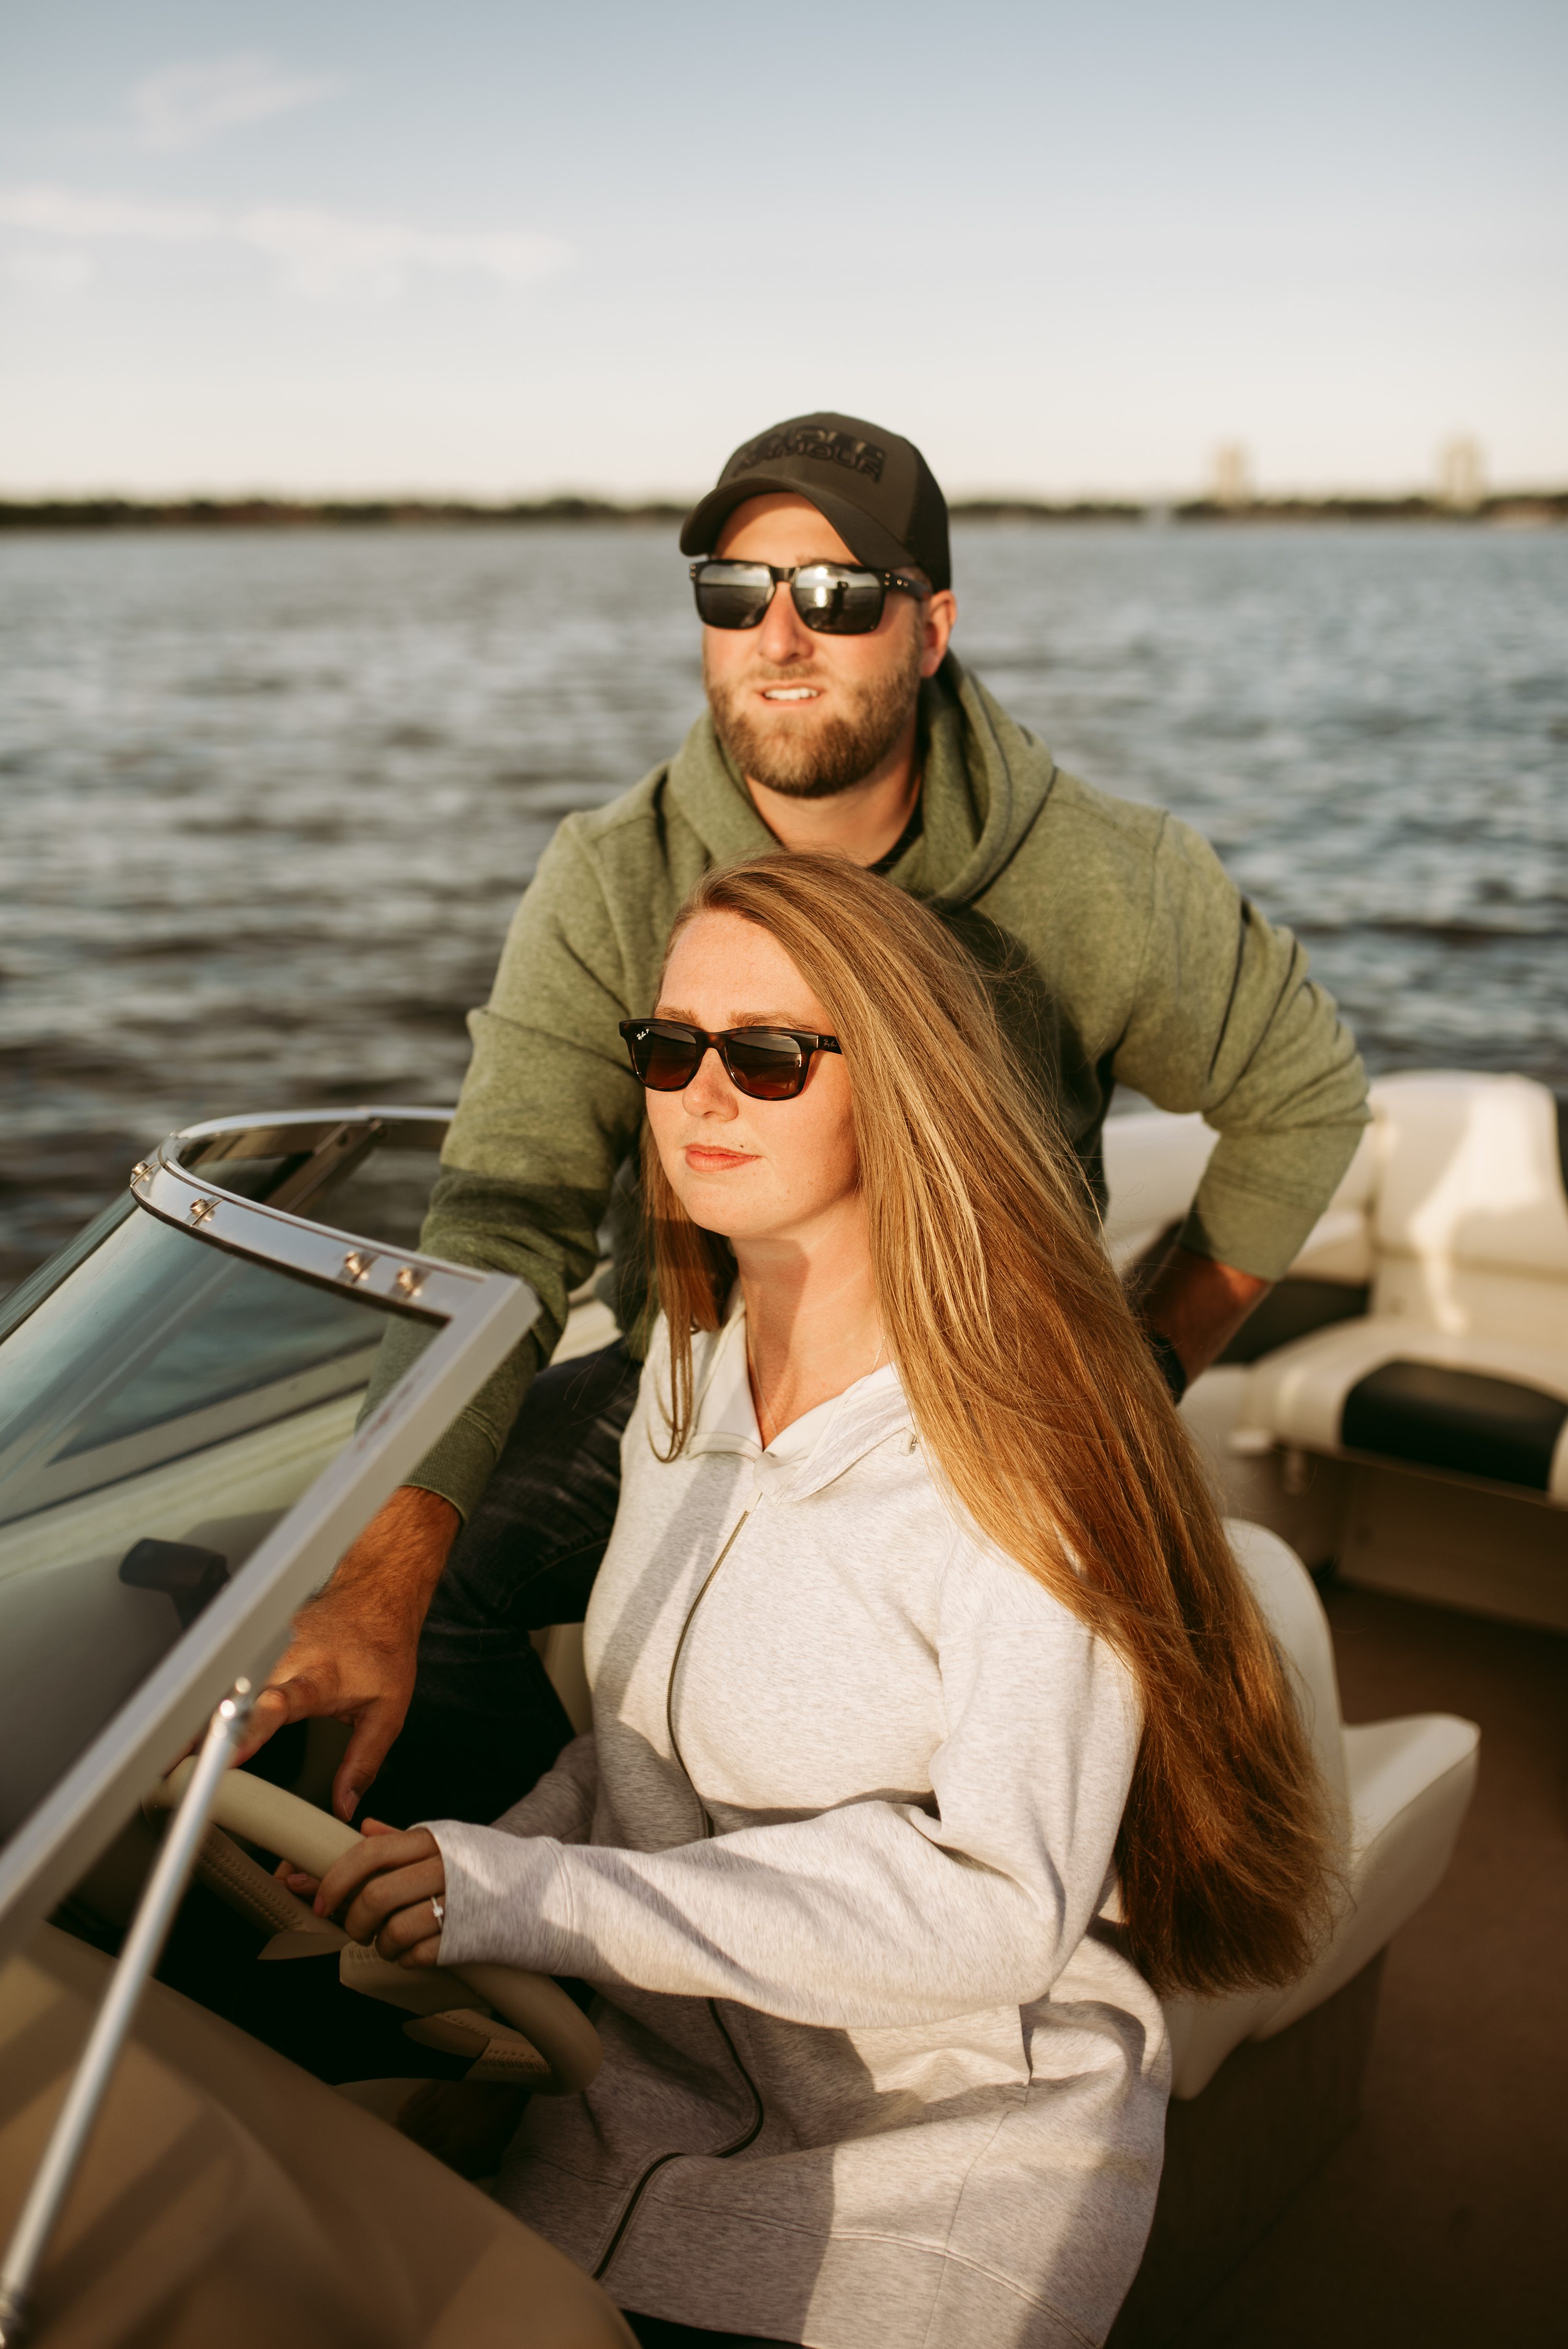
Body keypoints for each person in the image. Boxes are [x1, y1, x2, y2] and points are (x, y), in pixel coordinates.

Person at [240, 411, 1368, 1826]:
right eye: (735, 591)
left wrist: (1145, 1359)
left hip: (989, 1393)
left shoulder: (1104, 878)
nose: (780, 636)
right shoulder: (614, 875)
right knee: (394, 1566)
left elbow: (1304, 1096)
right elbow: (507, 1214)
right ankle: (548, 1949)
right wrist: (389, 1572)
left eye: (836, 594)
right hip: (696, 1377)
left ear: (930, 626)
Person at [312, 854, 1334, 2349]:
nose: (700, 1096)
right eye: (669, 1050)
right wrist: (458, 1876)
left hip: (935, 2186)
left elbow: (1000, 1909)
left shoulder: (1032, 1454)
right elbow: (635, 1759)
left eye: (770, 1056)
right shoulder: (689, 1372)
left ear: (901, 1082)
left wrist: (535, 1901)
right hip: (631, 2122)